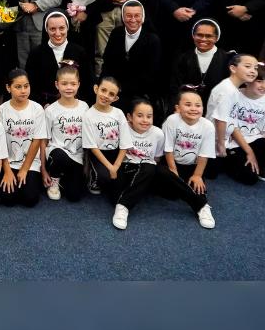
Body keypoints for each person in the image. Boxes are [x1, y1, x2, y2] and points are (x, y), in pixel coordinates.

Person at [111, 97, 214, 230]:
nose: (145, 120)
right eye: (140, 116)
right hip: (127, 168)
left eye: (149, 116)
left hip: (148, 170)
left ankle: (201, 205)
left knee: (155, 169)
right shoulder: (123, 128)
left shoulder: (158, 134)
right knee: (114, 197)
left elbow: (157, 158)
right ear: (129, 117)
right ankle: (125, 199)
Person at [213, 64, 265, 185]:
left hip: (254, 140)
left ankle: (259, 163)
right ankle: (231, 161)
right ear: (247, 81)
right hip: (234, 143)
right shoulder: (234, 97)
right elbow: (233, 129)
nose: (264, 86)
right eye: (259, 81)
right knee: (250, 179)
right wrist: (250, 152)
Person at [161, 88, 216, 228]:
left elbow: (204, 155)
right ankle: (189, 194)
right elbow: (168, 149)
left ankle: (202, 206)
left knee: (197, 186)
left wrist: (197, 175)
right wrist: (173, 170)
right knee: (169, 190)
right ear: (178, 108)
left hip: (193, 166)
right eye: (188, 104)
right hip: (171, 162)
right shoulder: (172, 120)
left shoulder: (208, 126)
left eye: (198, 105)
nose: (193, 108)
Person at [101, 0, 162, 116]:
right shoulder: (116, 34)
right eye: (128, 15)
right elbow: (107, 63)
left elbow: (151, 74)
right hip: (114, 90)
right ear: (123, 17)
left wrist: (123, 89)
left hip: (140, 93)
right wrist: (107, 86)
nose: (133, 19)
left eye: (137, 15)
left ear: (143, 18)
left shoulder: (153, 40)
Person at [0, 69, 47, 208]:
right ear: (8, 88)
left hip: (30, 163)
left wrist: (25, 169)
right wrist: (7, 170)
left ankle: (32, 180)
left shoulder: (37, 109)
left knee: (30, 199)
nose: (23, 91)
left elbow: (37, 141)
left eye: (26, 86)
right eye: (18, 87)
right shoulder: (1, 110)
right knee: (8, 200)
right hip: (9, 162)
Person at [43, 62, 89, 202]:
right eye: (64, 84)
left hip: (77, 156)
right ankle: (54, 179)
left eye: (73, 84)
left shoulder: (84, 107)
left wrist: (87, 165)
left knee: (74, 196)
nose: (69, 87)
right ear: (57, 85)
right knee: (59, 156)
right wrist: (43, 169)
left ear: (78, 84)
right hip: (57, 152)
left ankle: (65, 176)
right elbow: (44, 140)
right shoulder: (50, 110)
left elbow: (88, 138)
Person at [26, 12, 94, 106]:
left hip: (75, 105)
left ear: (67, 28)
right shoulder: (36, 54)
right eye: (52, 29)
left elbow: (88, 83)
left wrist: (80, 105)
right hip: (45, 106)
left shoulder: (79, 52)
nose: (58, 33)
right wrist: (43, 104)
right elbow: (30, 85)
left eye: (62, 28)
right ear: (46, 29)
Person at [82, 76, 129, 198]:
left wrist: (116, 166)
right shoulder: (88, 115)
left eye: (111, 94)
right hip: (98, 154)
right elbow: (92, 146)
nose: (106, 95)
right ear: (96, 89)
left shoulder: (119, 113)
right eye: (103, 90)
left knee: (119, 189)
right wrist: (110, 168)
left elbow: (125, 143)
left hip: (115, 154)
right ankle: (93, 177)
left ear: (115, 98)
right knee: (106, 176)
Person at [170, 19, 229, 112]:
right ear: (193, 36)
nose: (203, 39)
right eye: (199, 35)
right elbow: (175, 87)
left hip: (218, 109)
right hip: (188, 109)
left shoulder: (227, 59)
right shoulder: (183, 58)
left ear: (216, 38)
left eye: (209, 36)